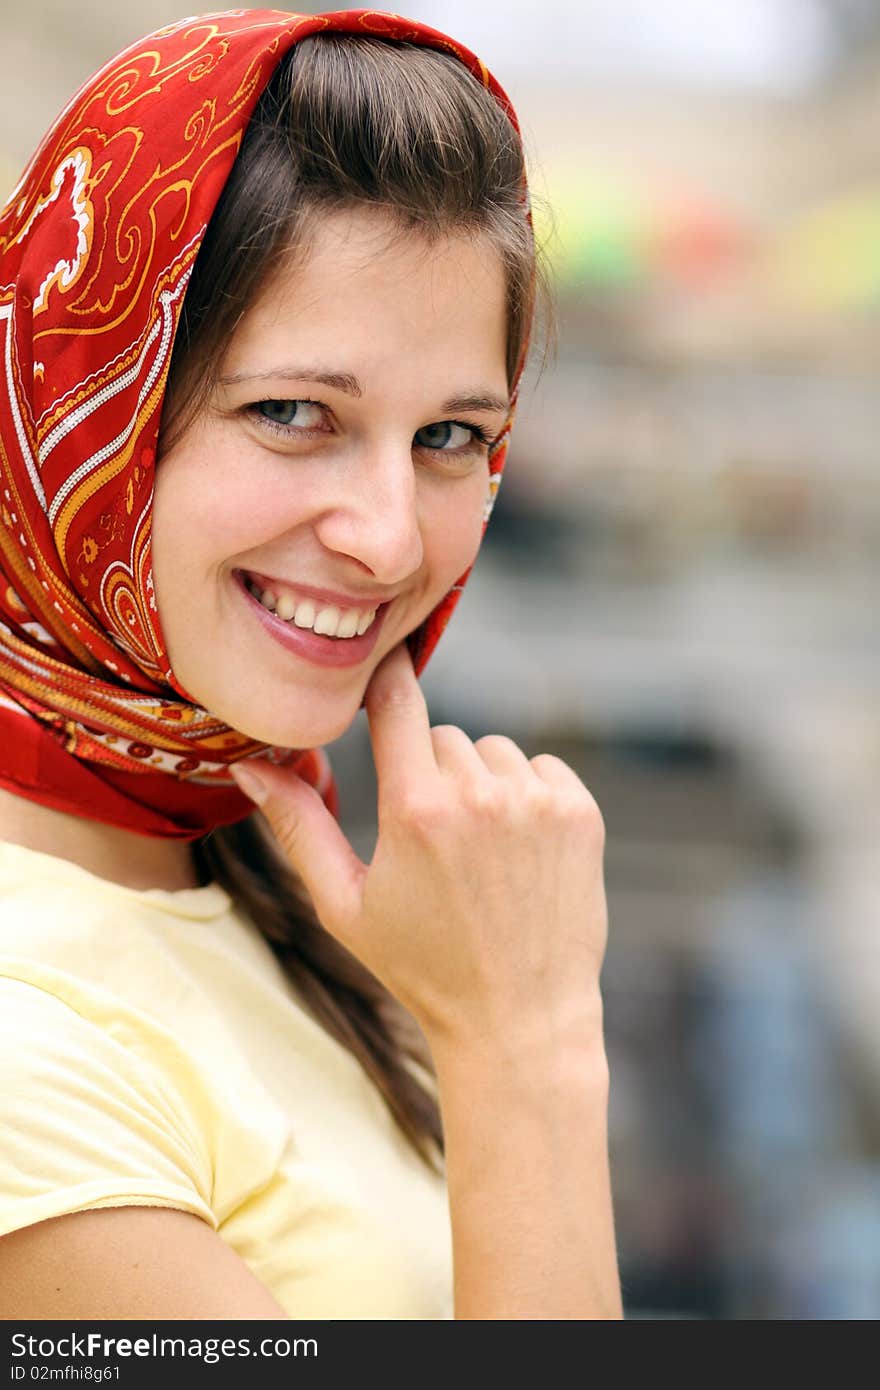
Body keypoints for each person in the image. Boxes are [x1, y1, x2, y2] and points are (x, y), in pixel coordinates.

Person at [0, 9, 620, 1320]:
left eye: (452, 434)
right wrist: (527, 1047)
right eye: (294, 413)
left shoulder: (269, 863)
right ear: (82, 396)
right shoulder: (22, 1038)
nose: (390, 537)